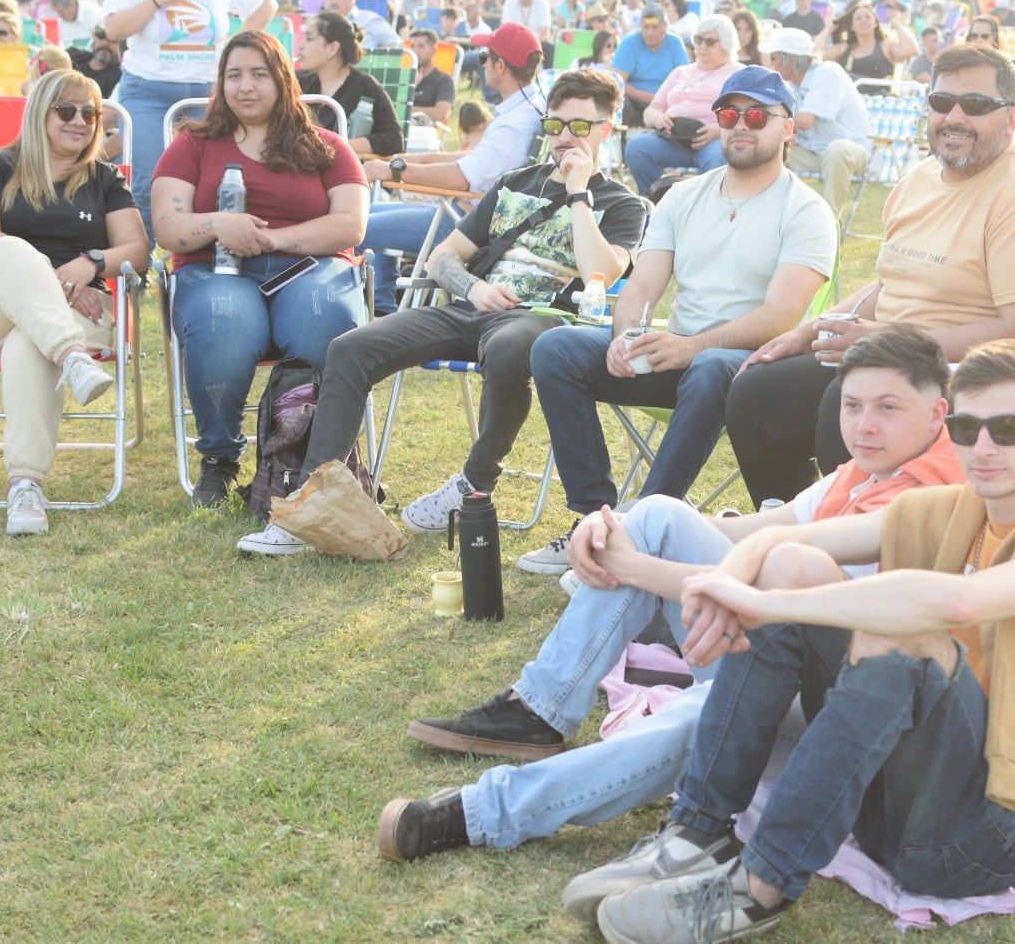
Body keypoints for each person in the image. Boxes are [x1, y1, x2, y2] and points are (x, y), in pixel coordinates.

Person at [575, 339, 1015, 943]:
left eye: (1010, 428)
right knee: (792, 563)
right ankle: (696, 833)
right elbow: (793, 543)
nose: (985, 448)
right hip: (891, 804)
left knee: (911, 640)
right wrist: (732, 582)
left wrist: (764, 605)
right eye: (968, 428)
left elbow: (958, 601)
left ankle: (759, 888)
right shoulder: (962, 507)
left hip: (985, 838)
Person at [377, 326, 963, 861]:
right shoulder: (864, 469)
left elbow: (761, 589)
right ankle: (537, 709)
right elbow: (746, 535)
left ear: (937, 413)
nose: (863, 425)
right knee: (660, 512)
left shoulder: (932, 497)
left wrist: (636, 565)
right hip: (770, 654)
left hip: (838, 718)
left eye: (888, 408)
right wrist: (613, 524)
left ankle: (486, 812)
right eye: (854, 406)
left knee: (707, 712)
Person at [236, 70, 646, 554]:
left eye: (580, 127)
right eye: (556, 126)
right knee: (349, 348)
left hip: (545, 321)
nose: (563, 139)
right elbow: (443, 256)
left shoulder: (623, 204)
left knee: (512, 347)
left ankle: (474, 484)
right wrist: (472, 288)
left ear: (606, 128)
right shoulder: (515, 184)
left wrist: (579, 192)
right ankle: (313, 507)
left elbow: (601, 271)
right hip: (472, 308)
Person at [724, 43, 1015, 506]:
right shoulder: (921, 176)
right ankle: (803, 524)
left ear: (1012, 118)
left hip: (978, 375)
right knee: (755, 393)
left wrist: (888, 343)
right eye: (941, 102)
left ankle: (860, 545)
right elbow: (890, 280)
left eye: (975, 106)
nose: (954, 117)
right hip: (892, 353)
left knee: (854, 400)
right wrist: (810, 331)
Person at [521, 66, 837, 575]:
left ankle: (641, 529)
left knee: (713, 365)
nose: (740, 125)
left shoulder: (805, 210)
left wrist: (689, 347)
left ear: (788, 128)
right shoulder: (685, 196)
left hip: (751, 372)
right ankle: (593, 516)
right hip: (677, 357)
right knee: (555, 348)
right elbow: (642, 287)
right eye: (729, 114)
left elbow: (781, 317)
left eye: (756, 115)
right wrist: (627, 336)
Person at [151, 30, 368, 508]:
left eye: (258, 74)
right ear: (220, 84)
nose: (245, 86)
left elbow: (350, 225)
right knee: (224, 318)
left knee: (324, 314)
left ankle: (315, 457)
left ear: (282, 80)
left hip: (308, 266)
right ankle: (220, 459)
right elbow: (167, 226)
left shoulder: (325, 145)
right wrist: (218, 223)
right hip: (215, 269)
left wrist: (271, 239)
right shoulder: (193, 146)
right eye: (233, 76)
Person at [0, 70, 148, 535]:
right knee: (9, 249)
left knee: (31, 342)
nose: (80, 121)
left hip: (74, 313)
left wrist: (91, 263)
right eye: (66, 110)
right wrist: (59, 280)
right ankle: (72, 357)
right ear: (39, 113)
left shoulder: (104, 179)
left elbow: (137, 250)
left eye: (90, 113)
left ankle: (25, 486)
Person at [102, 0, 276, 235]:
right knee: (148, 178)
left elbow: (266, 5)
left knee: (212, 179)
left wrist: (232, 51)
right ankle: (144, 265)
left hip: (206, 93)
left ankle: (199, 257)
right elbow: (113, 28)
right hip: (147, 90)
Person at [358, 21, 544, 316]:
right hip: (466, 213)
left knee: (356, 226)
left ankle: (347, 312)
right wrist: (404, 159)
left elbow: (460, 178)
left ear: (500, 66)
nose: (481, 64)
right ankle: (382, 308)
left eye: (484, 57)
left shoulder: (514, 125)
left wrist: (395, 170)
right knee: (365, 215)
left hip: (462, 223)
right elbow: (467, 163)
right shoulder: (528, 109)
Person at [623, 13, 741, 196]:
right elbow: (651, 109)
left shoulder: (738, 73)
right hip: (673, 139)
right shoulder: (681, 72)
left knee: (721, 155)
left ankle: (707, 207)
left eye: (709, 42)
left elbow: (744, 114)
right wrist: (659, 119)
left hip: (713, 141)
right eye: (698, 40)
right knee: (637, 147)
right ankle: (656, 199)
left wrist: (719, 130)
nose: (701, 46)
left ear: (726, 44)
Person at [761, 27, 871, 222]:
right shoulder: (791, 85)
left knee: (838, 149)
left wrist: (775, 122)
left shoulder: (827, 72)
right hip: (814, 153)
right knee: (771, 147)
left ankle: (828, 222)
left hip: (852, 153)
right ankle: (774, 216)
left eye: (774, 57)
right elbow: (789, 123)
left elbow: (804, 120)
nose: (771, 63)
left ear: (790, 59)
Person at [295, 12, 401, 155]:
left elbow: (393, 140)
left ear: (332, 48)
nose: (300, 46)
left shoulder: (365, 87)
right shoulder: (299, 82)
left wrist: (335, 146)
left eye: (309, 38)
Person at [611, 5, 690, 126]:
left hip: (666, 104)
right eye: (645, 27)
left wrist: (660, 100)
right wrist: (647, 97)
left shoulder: (675, 43)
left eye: (655, 27)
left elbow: (684, 80)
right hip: (634, 104)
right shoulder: (629, 42)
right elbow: (616, 81)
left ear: (665, 27)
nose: (650, 32)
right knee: (618, 101)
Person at [821, 3, 916, 81]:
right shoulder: (844, 48)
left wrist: (897, 25)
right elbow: (817, 55)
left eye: (868, 17)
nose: (863, 20)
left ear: (875, 23)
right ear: (852, 27)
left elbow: (911, 49)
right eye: (858, 18)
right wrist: (828, 29)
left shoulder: (886, 46)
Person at [407, 28, 457, 125]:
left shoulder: (443, 80)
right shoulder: (405, 77)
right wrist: (412, 87)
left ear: (434, 50)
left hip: (423, 132)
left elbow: (441, 114)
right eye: (412, 46)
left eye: (421, 46)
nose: (415, 51)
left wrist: (407, 111)